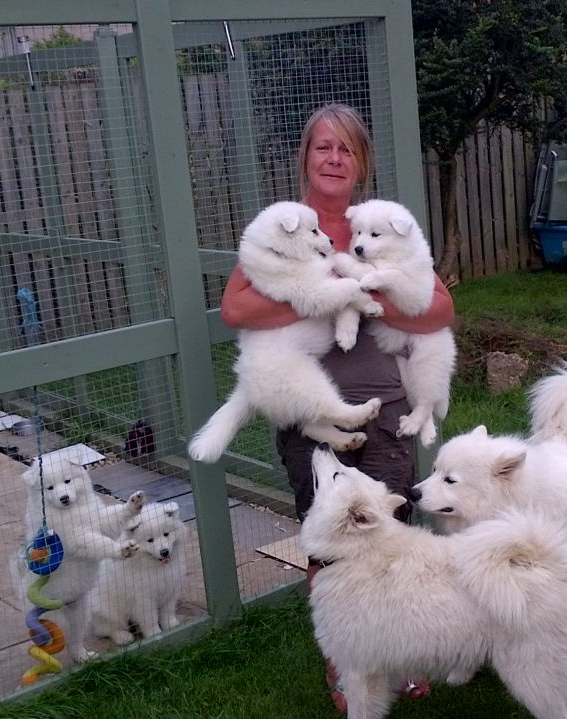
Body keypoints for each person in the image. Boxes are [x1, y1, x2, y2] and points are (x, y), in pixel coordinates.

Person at [218, 103, 454, 710]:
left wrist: (370, 293)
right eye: (323, 146)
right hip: (311, 411)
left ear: (361, 163)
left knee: (392, 534)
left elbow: (439, 308)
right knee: (328, 541)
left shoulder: (375, 227)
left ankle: (401, 653)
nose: (333, 158)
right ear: (306, 158)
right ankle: (346, 663)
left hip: (385, 403)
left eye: (346, 149)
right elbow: (236, 308)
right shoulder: (286, 228)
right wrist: (319, 294)